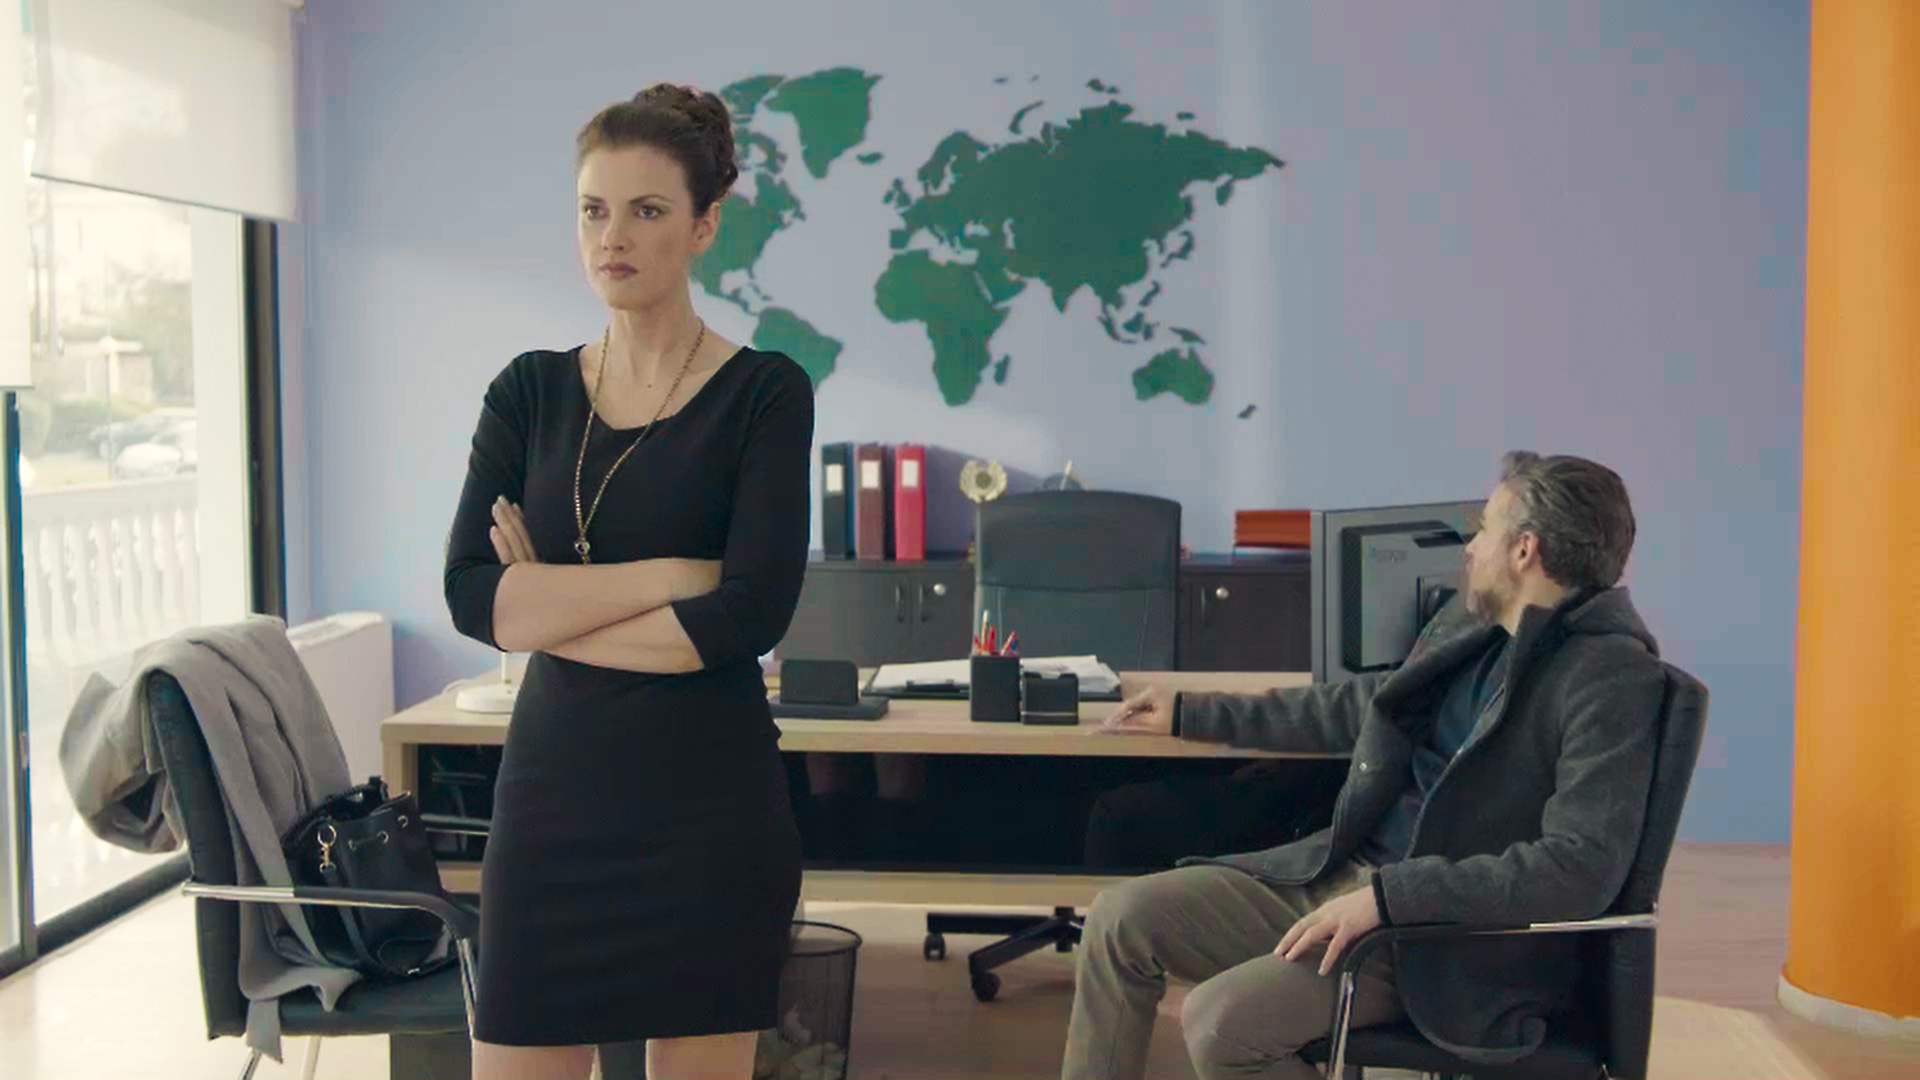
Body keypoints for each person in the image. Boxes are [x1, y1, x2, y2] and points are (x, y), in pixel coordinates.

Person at [1064, 452, 1664, 1080]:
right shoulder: (1476, 626)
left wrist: (1390, 899)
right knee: (1118, 920)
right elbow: (1363, 706)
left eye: (1484, 528)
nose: (1469, 548)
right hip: (1344, 880)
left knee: (1221, 1024)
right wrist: (1192, 711)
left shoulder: (1610, 678)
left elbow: (1579, 868)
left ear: (1524, 550)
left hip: (1436, 945)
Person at [443, 84, 815, 1080]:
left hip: (707, 814)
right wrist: (671, 577)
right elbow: (474, 597)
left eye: (647, 210)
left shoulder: (765, 393)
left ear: (703, 226)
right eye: (593, 209)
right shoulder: (527, 391)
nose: (613, 236)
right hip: (551, 809)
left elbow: (746, 617)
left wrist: (547, 603)